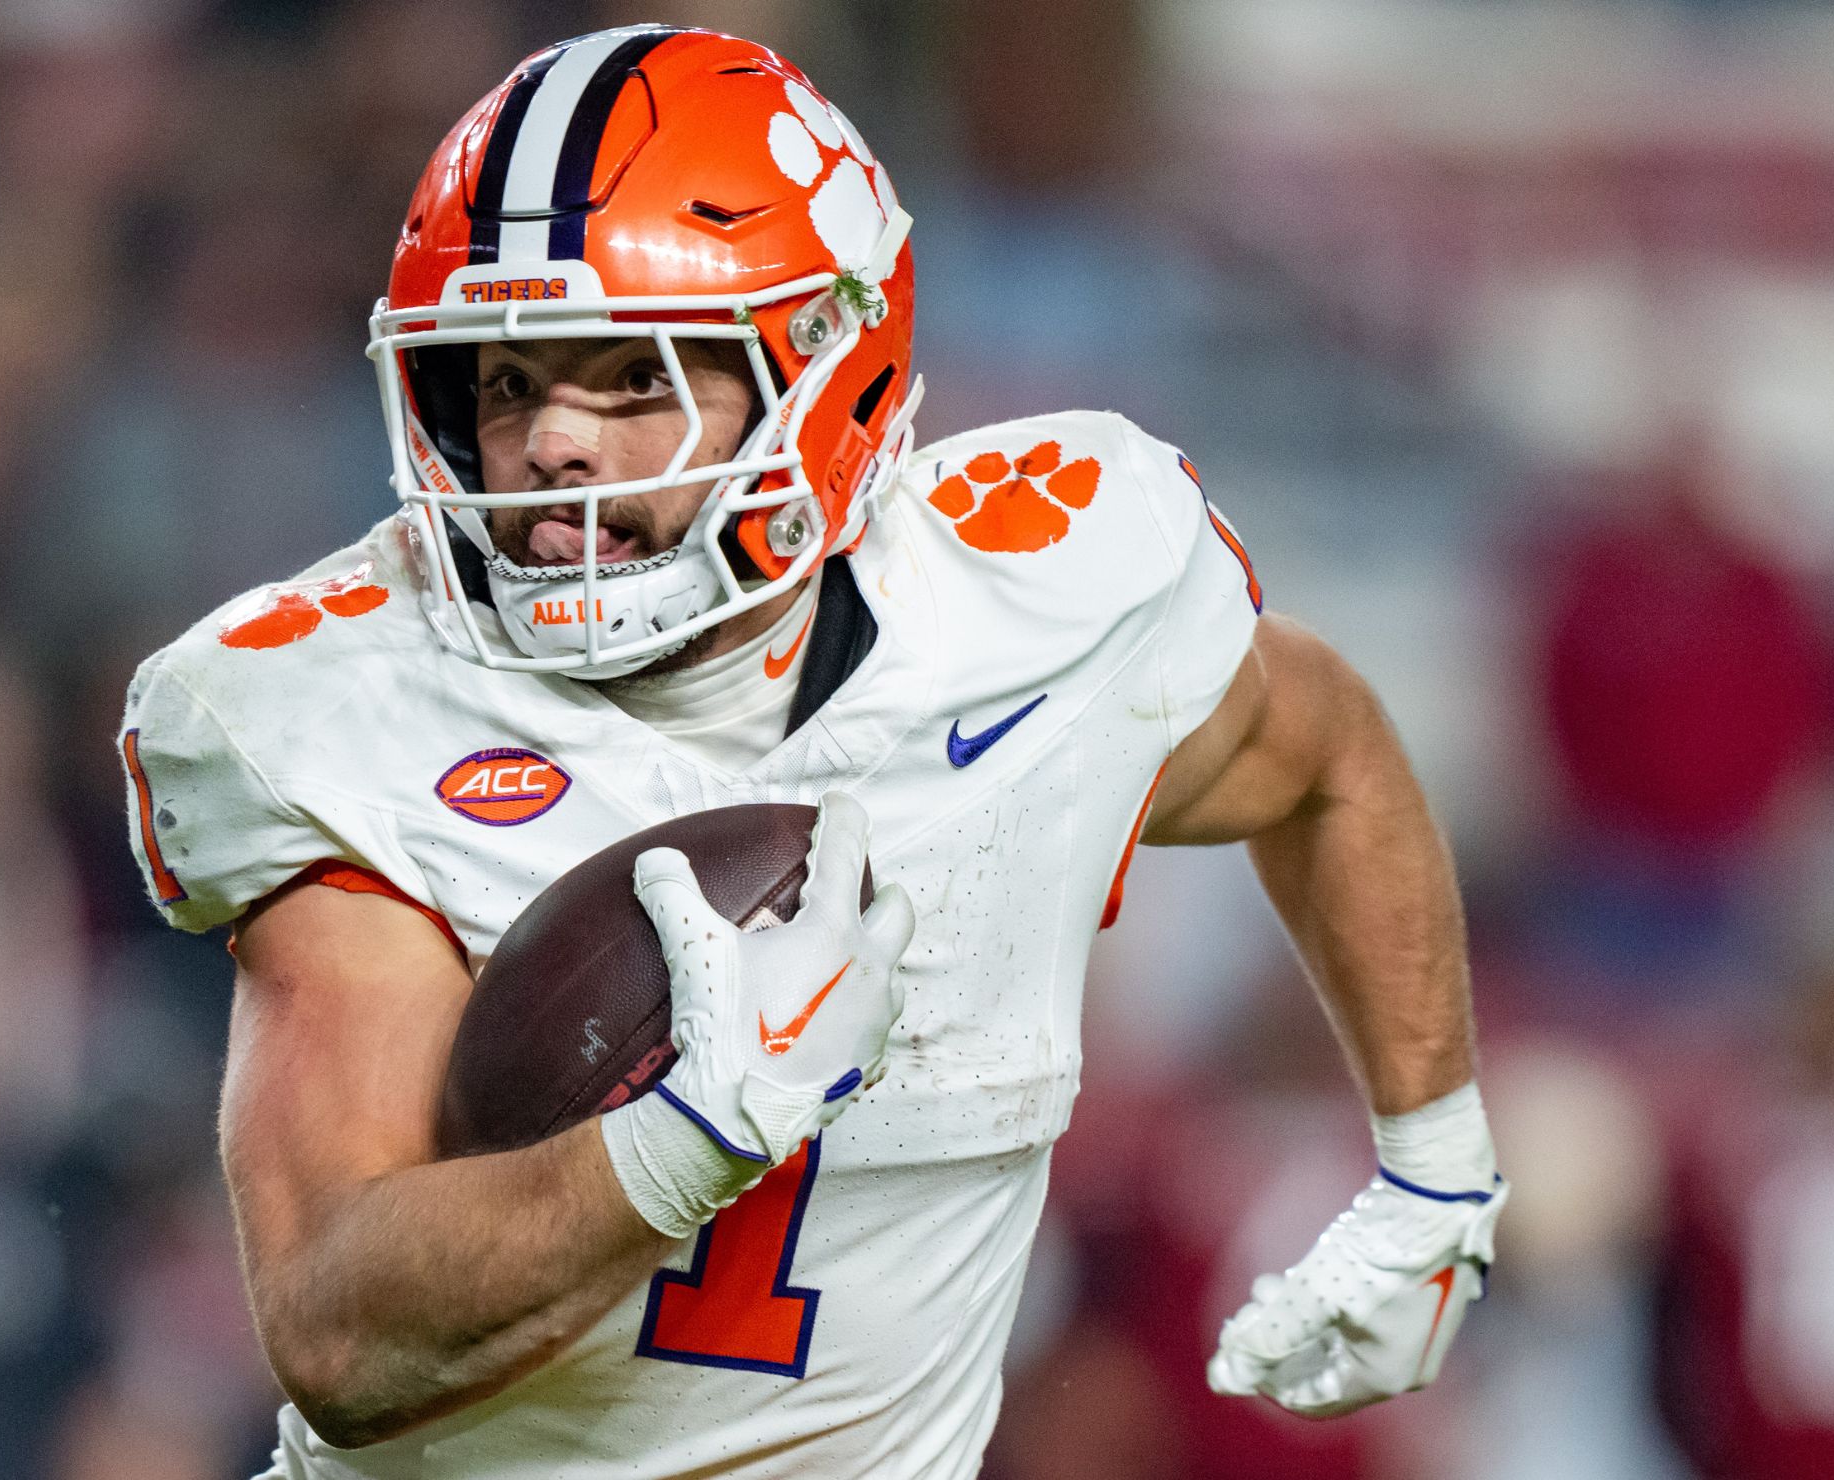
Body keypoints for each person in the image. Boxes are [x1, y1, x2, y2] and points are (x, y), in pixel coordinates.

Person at [117, 26, 1505, 1478]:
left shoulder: (1038, 602)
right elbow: (340, 1330)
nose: (551, 447)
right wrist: (685, 1138)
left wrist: (1435, 1171)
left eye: (632, 378)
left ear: (826, 376)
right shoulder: (348, 702)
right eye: (506, 382)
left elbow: (1328, 755)